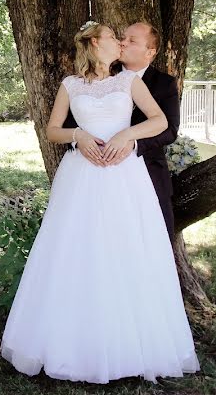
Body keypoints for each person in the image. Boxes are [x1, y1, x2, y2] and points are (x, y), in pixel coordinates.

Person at [0, 21, 200, 384]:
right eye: (113, 37)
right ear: (95, 43)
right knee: (76, 250)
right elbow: (52, 129)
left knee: (125, 250)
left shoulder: (129, 81)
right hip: (82, 176)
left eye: (124, 39)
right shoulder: (70, 85)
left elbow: (159, 121)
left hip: (124, 176)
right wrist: (78, 135)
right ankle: (70, 342)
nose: (119, 43)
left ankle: (129, 345)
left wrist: (127, 134)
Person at [64, 21, 180, 241]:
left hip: (148, 172)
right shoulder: (99, 74)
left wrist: (132, 142)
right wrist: (79, 141)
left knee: (150, 243)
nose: (122, 43)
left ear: (150, 52)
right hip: (94, 171)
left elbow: (170, 129)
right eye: (121, 38)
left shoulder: (164, 83)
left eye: (131, 40)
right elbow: (72, 119)